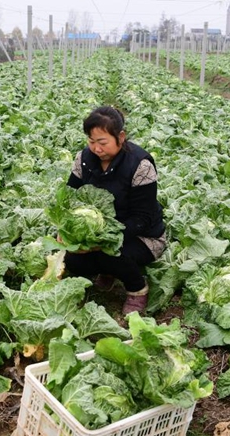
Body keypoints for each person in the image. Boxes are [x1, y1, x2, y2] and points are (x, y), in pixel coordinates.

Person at [63, 106, 166, 315]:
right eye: (91, 142)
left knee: (113, 255)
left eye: (102, 143)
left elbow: (142, 219)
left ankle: (137, 289)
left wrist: (100, 241)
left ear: (121, 137)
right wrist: (64, 231)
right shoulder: (83, 159)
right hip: (99, 235)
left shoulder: (140, 164)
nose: (96, 149)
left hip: (142, 236)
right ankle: (106, 272)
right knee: (71, 258)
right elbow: (68, 198)